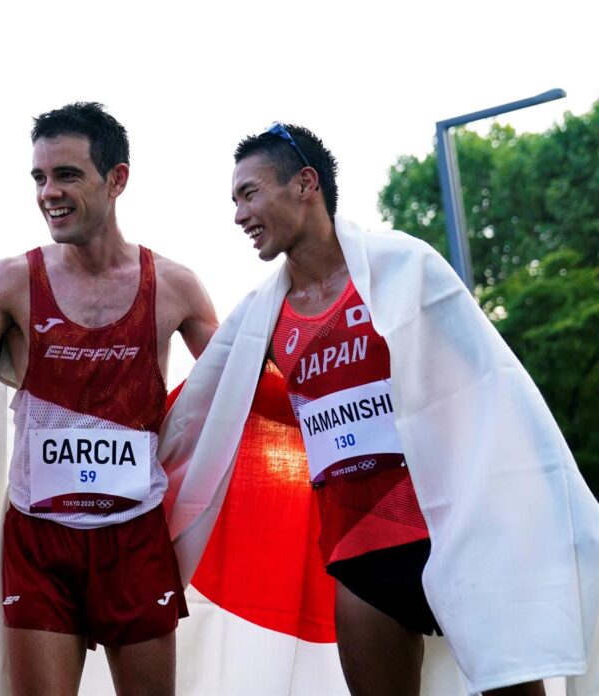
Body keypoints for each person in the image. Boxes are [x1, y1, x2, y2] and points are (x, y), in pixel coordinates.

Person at [157, 123, 599, 695]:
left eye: (250, 193)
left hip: (454, 532)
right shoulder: (259, 317)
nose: (240, 214)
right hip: (360, 557)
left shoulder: (404, 268)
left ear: (305, 184)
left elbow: (488, 390)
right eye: (235, 200)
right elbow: (212, 405)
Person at [0, 102, 218, 695]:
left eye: (67, 175)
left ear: (117, 179)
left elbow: (249, 387)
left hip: (133, 535)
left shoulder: (174, 286)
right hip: (41, 537)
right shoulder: (12, 280)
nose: (48, 192)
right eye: (40, 177)